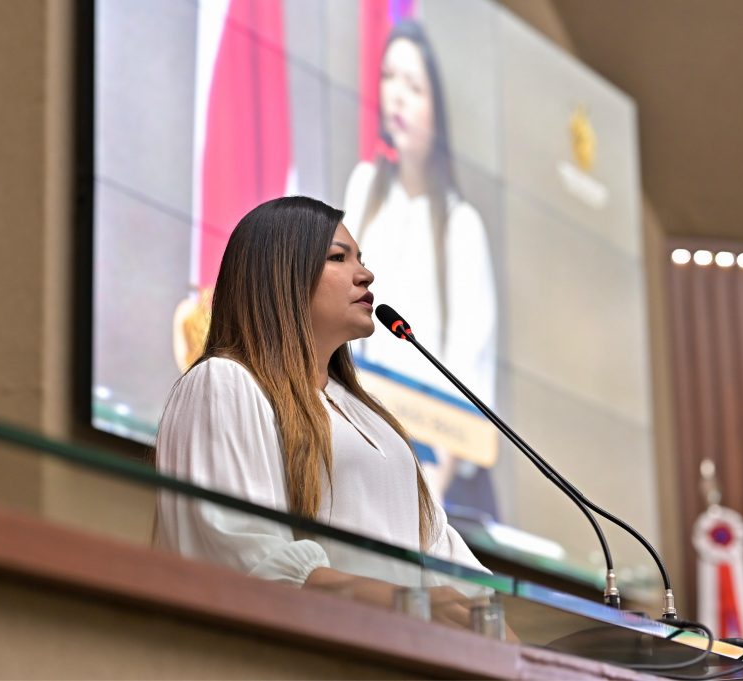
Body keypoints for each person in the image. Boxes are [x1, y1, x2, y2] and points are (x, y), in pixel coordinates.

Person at [155, 196, 490, 626]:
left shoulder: (376, 421)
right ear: (280, 274)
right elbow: (243, 557)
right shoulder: (223, 383)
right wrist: (409, 603)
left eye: (360, 260)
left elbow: (456, 573)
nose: (366, 274)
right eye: (338, 257)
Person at [342, 19, 498, 515]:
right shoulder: (365, 185)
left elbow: (468, 368)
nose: (397, 97)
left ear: (438, 108)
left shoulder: (461, 224)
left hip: (432, 469)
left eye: (414, 86)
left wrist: (430, 485)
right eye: (389, 79)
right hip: (353, 437)